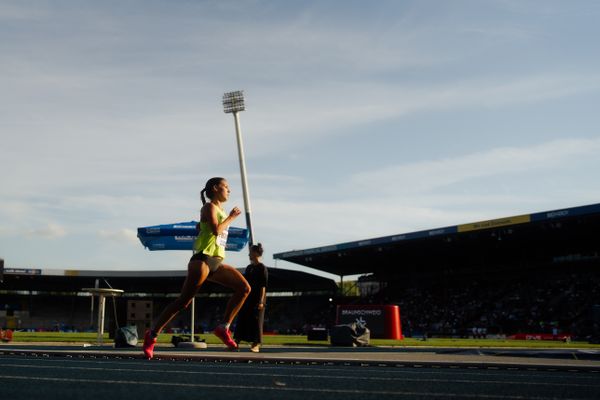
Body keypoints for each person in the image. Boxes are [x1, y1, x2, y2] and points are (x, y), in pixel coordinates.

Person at [143, 177, 251, 359]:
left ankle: (223, 328)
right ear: (216, 188)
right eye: (226, 187)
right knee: (183, 302)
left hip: (216, 262)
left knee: (244, 288)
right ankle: (151, 335)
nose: (229, 191)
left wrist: (206, 225)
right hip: (202, 260)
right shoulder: (209, 207)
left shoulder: (220, 211)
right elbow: (217, 230)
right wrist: (232, 218)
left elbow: (208, 230)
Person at [234, 243, 268, 352]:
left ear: (256, 253)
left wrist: (261, 301)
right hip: (247, 297)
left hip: (258, 298)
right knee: (242, 318)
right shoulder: (249, 268)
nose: (249, 254)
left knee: (256, 322)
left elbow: (263, 286)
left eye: (251, 252)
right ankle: (235, 343)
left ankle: (255, 344)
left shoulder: (262, 268)